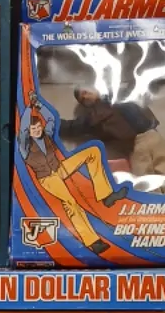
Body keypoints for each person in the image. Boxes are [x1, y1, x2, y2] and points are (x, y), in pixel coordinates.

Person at [17, 93, 128, 255]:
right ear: (29, 131)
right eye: (33, 129)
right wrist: (29, 108)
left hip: (59, 168)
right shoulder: (25, 146)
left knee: (93, 152)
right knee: (70, 203)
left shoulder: (46, 135)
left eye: (38, 127)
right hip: (47, 178)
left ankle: (106, 195)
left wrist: (38, 106)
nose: (37, 131)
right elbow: (22, 129)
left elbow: (51, 119)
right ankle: (93, 242)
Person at [61, 87, 165, 195]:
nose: (85, 97)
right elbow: (72, 127)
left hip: (151, 135)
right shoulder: (95, 115)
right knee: (151, 187)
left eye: (85, 92)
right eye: (82, 99)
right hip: (137, 144)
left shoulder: (117, 94)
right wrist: (51, 121)